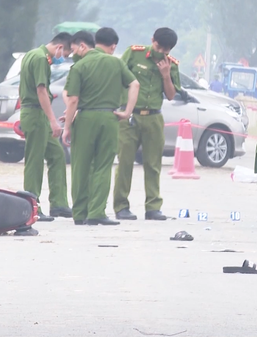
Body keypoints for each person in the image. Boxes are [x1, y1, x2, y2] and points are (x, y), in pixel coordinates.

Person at [62, 30, 140, 225]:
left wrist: (67, 126)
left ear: (85, 45)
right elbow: (135, 84)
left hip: (86, 117)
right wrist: (127, 112)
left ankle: (79, 213)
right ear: (111, 45)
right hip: (109, 118)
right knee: (103, 166)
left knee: (80, 166)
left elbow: (72, 100)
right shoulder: (116, 63)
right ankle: (96, 212)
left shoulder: (79, 66)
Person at [113, 27, 181, 221]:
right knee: (125, 162)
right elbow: (118, 78)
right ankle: (121, 206)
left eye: (166, 50)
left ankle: (153, 207)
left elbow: (170, 95)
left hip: (153, 118)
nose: (161, 52)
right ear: (152, 40)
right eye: (159, 47)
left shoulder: (172, 64)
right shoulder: (134, 54)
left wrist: (166, 75)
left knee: (153, 164)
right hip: (130, 116)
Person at [19, 32, 73, 223]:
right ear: (59, 47)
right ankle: (31, 206)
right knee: (34, 161)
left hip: (35, 112)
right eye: (65, 54)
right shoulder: (41, 59)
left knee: (57, 154)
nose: (63, 58)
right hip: (36, 114)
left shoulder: (32, 54)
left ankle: (59, 203)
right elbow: (41, 90)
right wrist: (52, 120)